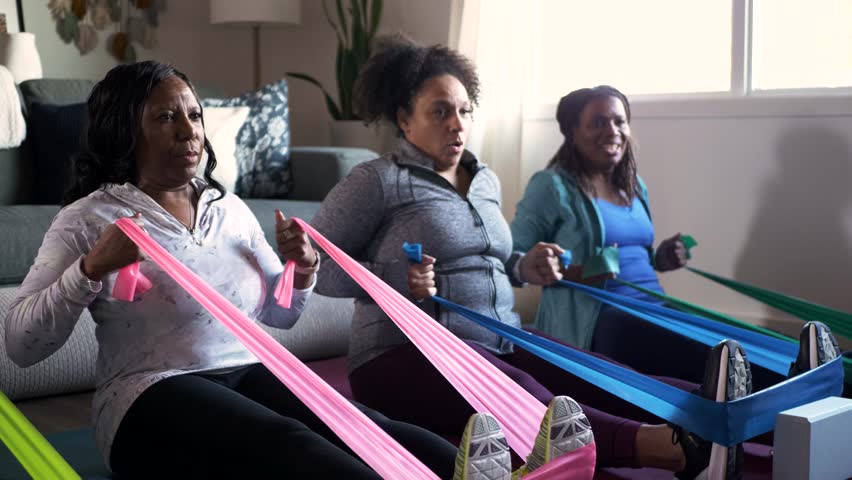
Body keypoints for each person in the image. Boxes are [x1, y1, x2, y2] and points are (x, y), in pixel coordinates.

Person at [3, 60, 510, 480]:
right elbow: (22, 346)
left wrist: (301, 268)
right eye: (165, 119)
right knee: (288, 442)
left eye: (195, 116)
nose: (189, 131)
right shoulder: (89, 218)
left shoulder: (229, 210)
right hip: (146, 398)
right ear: (124, 130)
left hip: (246, 369)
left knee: (354, 420)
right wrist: (89, 268)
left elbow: (280, 313)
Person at [311, 34, 758, 479]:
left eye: (464, 110)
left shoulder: (484, 180)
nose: (457, 124)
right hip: (401, 355)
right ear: (404, 120)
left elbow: (498, 261)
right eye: (440, 111)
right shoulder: (376, 181)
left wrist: (528, 265)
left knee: (592, 371)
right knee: (523, 391)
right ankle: (675, 451)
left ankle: (720, 416)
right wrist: (393, 277)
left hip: (500, 336)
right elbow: (316, 267)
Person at [509, 86, 784, 388]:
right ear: (572, 132)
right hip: (603, 321)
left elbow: (634, 255)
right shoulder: (551, 186)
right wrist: (579, 272)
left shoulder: (634, 187)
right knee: (721, 358)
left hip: (655, 310)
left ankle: (814, 368)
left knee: (737, 341)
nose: (612, 130)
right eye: (598, 122)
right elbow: (514, 261)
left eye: (619, 121)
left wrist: (660, 258)